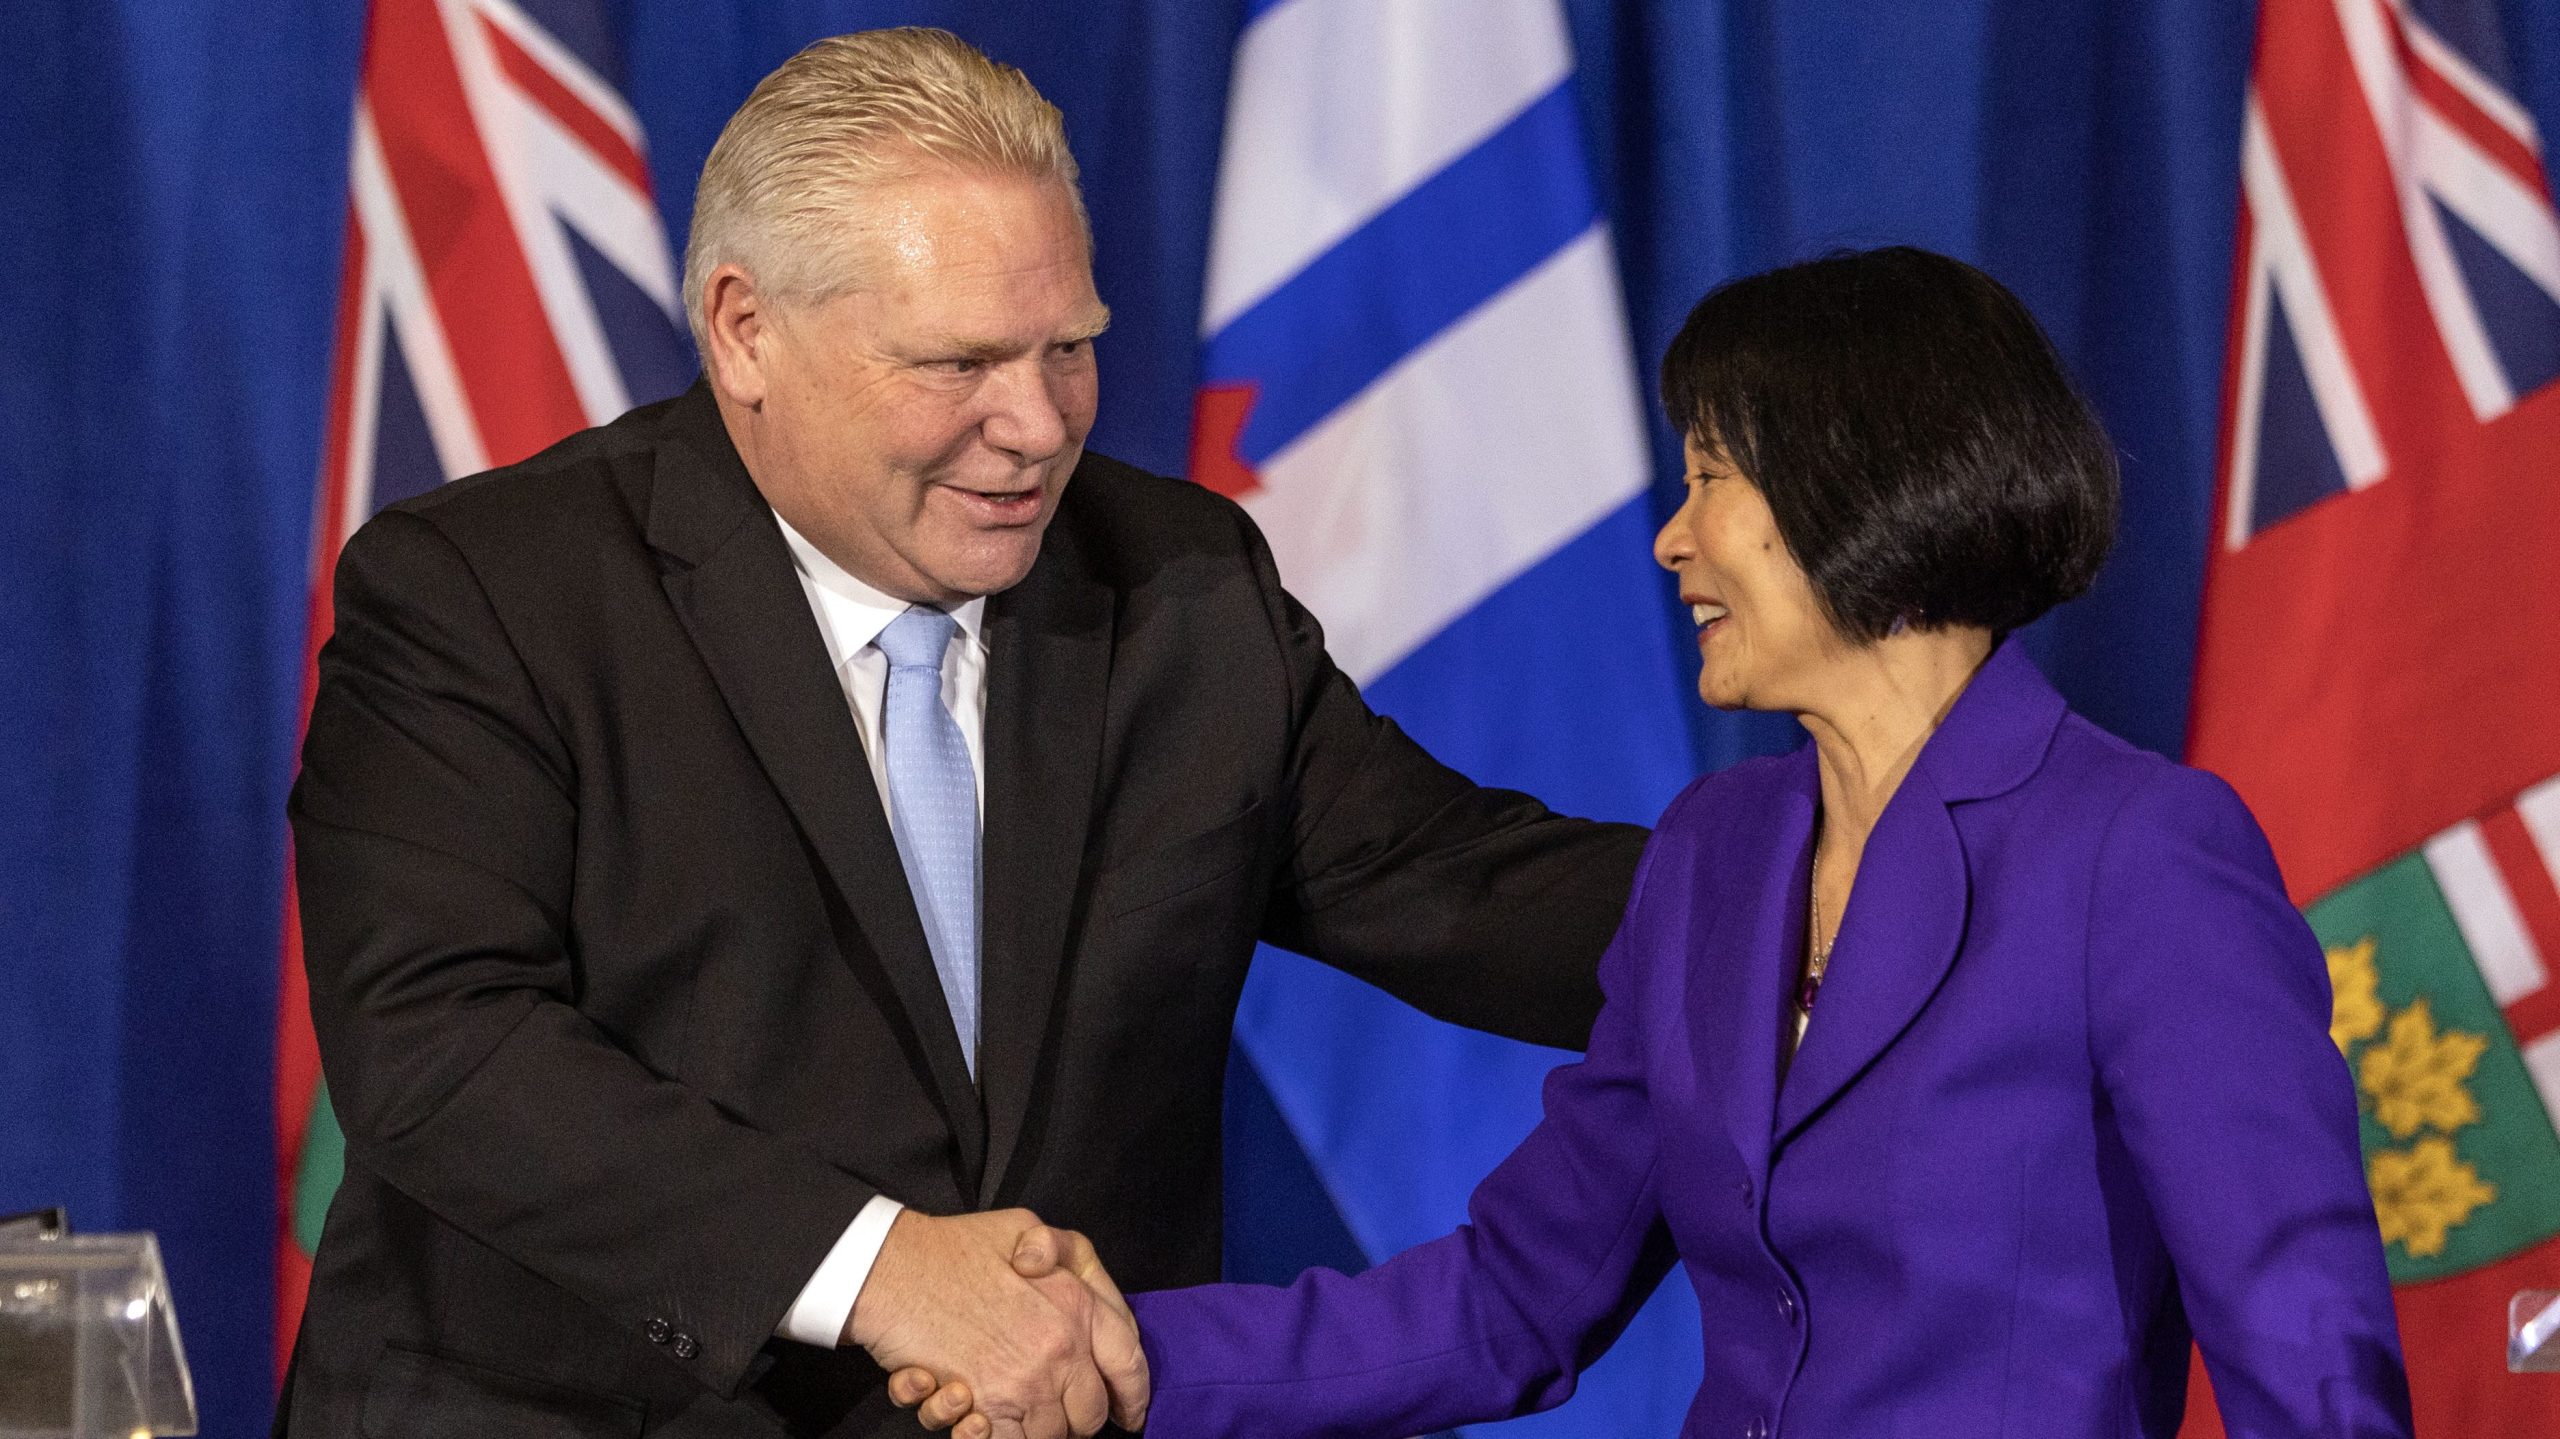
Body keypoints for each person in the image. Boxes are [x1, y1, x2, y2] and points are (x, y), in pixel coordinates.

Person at [280, 28, 1646, 1439]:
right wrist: (878, 1268)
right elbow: (442, 1046)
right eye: (957, 363)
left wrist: (1830, 900)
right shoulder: (492, 593)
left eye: (1071, 350)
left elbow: (1465, 888)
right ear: (747, 331)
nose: (1038, 425)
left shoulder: (1177, 585)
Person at [923, 247, 2412, 1437]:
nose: (1672, 537)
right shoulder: (1719, 854)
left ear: (1868, 478)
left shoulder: (2140, 857)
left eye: (1714, 478)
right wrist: (1118, 1353)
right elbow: (1513, 1301)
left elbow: (2304, 1348)